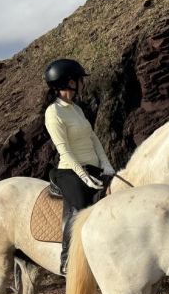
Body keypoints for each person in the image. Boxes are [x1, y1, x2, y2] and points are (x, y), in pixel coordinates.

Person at [42, 59, 115, 274]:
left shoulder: (76, 109)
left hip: (93, 168)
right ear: (69, 82)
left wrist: (106, 164)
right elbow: (64, 150)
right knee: (78, 208)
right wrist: (83, 177)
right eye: (80, 79)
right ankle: (68, 259)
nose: (83, 83)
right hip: (70, 171)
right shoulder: (53, 112)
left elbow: (93, 138)